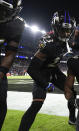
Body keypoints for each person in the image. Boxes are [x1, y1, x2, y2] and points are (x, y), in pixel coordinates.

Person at [18, 9, 76, 130]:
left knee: (72, 92)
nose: (66, 34)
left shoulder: (68, 41)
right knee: (37, 104)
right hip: (41, 72)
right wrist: (45, 84)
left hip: (54, 71)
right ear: (55, 27)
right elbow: (32, 69)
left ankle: (72, 118)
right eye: (63, 30)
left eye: (68, 30)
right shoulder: (48, 42)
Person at [0, 0, 25, 129]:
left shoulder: (17, 24)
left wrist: (1, 72)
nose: (1, 14)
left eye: (5, 11)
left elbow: (10, 52)